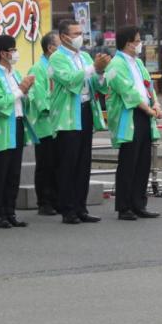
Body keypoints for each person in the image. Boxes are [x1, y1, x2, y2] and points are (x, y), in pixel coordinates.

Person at [50, 19, 110, 224]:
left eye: (80, 33)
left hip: (85, 110)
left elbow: (97, 84)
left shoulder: (84, 56)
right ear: (64, 37)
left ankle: (81, 207)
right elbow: (69, 80)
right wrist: (94, 67)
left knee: (83, 162)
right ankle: (67, 209)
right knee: (68, 163)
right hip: (67, 115)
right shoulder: (57, 58)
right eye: (75, 33)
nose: (79, 37)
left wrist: (100, 71)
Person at [0, 34, 36, 229]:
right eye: (13, 50)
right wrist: (21, 90)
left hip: (17, 123)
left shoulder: (15, 73)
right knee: (0, 171)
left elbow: (23, 98)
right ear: (3, 53)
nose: (15, 53)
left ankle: (10, 211)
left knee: (14, 171)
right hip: (0, 128)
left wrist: (27, 92)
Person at [106, 25, 162, 221]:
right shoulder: (115, 65)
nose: (140, 44)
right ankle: (124, 206)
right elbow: (126, 91)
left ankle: (139, 203)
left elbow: (148, 86)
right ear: (128, 43)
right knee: (128, 163)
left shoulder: (138, 63)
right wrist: (148, 109)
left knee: (143, 162)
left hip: (144, 114)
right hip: (129, 116)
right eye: (137, 41)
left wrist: (155, 103)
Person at [28, 31, 60, 216]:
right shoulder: (38, 68)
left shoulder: (59, 65)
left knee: (58, 163)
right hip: (45, 123)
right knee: (46, 164)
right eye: (59, 45)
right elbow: (38, 94)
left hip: (60, 122)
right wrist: (50, 107)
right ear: (50, 48)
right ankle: (45, 201)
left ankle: (57, 198)